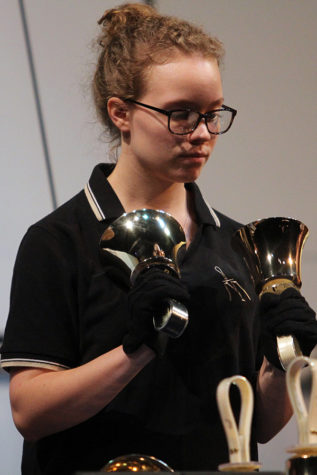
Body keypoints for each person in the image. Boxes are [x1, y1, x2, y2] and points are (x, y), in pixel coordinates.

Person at [1, 3, 317, 474]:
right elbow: (30, 412)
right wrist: (138, 349)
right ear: (121, 112)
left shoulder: (235, 244)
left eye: (214, 114)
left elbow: (259, 427)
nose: (202, 134)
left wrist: (283, 359)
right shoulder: (60, 240)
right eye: (181, 115)